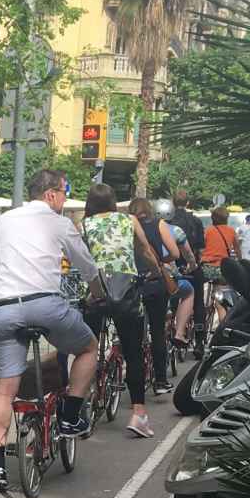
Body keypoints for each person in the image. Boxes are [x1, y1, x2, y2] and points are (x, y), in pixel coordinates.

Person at [0, 168, 101, 492]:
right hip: (45, 305)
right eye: (64, 192)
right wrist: (99, 292)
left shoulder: (3, 220)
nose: (65, 199)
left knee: (2, 393)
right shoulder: (59, 222)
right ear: (51, 194)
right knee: (88, 347)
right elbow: (86, 266)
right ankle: (69, 414)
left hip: (5, 309)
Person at [81, 186, 160, 437]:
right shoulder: (130, 220)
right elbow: (145, 250)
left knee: (87, 351)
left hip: (96, 293)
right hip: (125, 293)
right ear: (114, 202)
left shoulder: (83, 225)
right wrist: (156, 272)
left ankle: (80, 406)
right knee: (133, 352)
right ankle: (138, 414)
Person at [139, 198, 192, 396]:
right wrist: (162, 261)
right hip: (156, 282)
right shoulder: (163, 226)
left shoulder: (127, 225)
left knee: (134, 334)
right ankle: (161, 379)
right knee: (158, 331)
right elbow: (178, 253)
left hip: (132, 284)